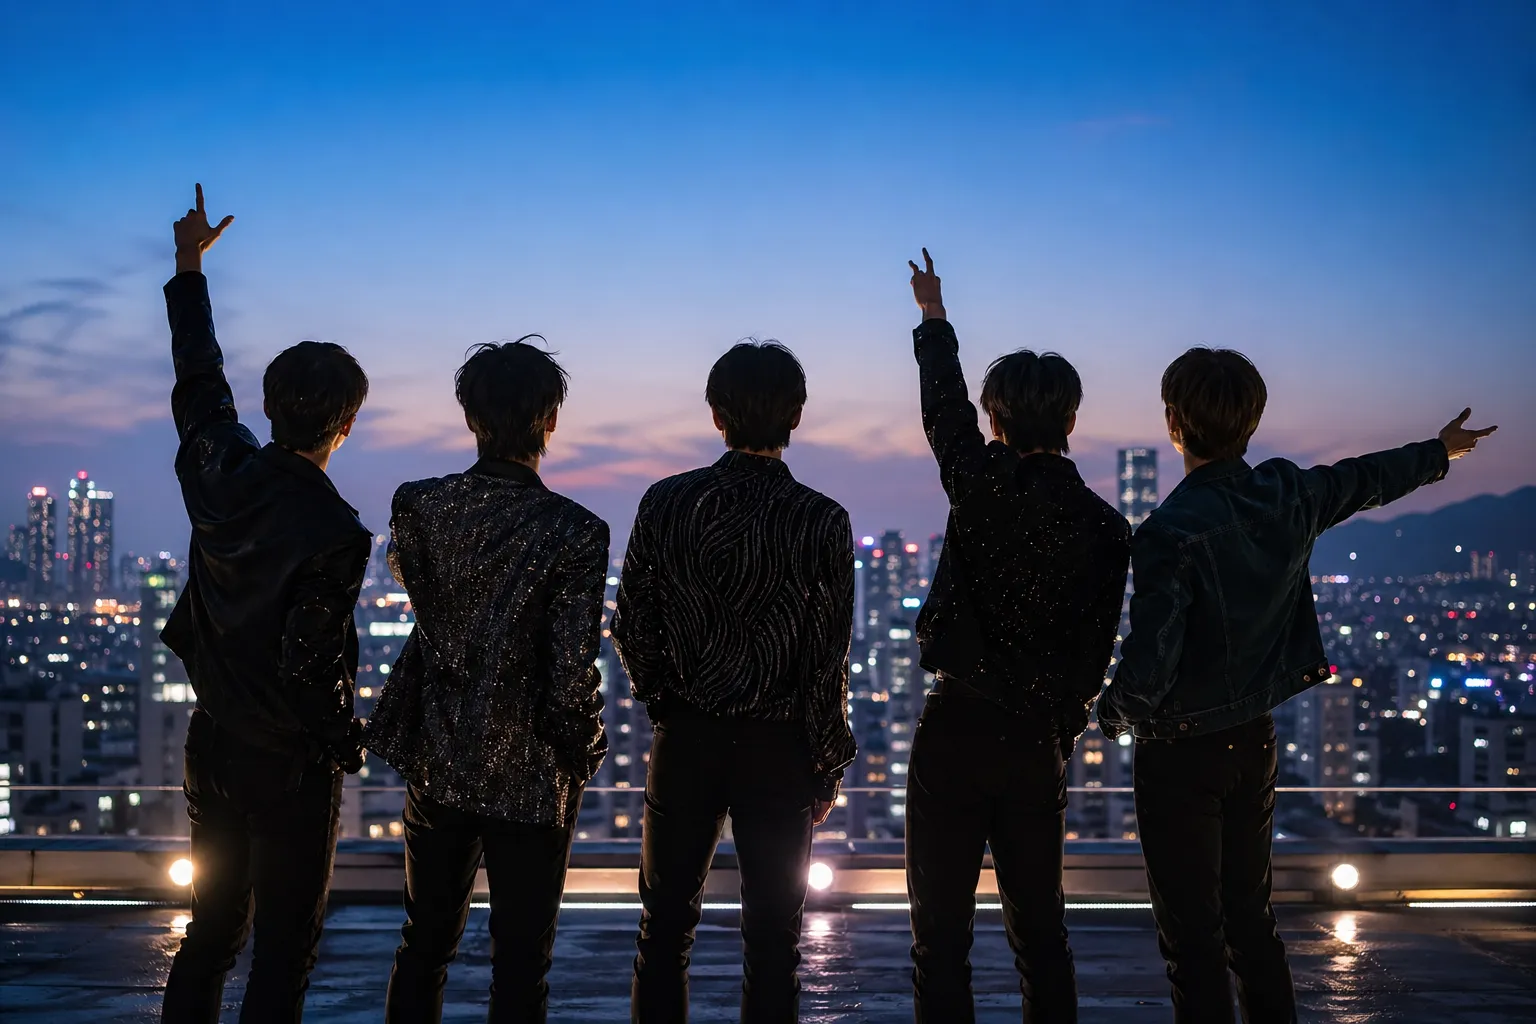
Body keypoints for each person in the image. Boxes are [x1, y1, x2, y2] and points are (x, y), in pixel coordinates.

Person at [1099, 347, 1497, 1023]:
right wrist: (1438, 451)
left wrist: (1110, 714)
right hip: (1253, 741)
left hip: (1180, 753)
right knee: (1252, 924)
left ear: (1173, 422)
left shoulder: (1168, 532)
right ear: (1251, 422)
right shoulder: (1287, 494)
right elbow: (1363, 479)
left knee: (1192, 938)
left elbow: (1152, 658)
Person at [160, 185, 373, 1023]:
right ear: (345, 424)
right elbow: (312, 667)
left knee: (211, 932)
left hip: (210, 738)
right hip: (286, 765)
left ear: (272, 404)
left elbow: (198, 376)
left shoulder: (217, 466)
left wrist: (187, 266)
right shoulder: (335, 530)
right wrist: (346, 741)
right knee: (283, 953)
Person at [902, 250, 1131, 1023]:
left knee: (940, 937)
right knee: (1041, 933)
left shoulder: (979, 485)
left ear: (996, 418)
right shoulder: (1106, 527)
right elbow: (1094, 654)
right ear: (1070, 421)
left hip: (956, 728)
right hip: (1036, 742)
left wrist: (935, 317)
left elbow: (943, 410)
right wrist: (1060, 727)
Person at [365, 339, 610, 1024]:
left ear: (470, 416)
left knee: (424, 944)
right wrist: (584, 747)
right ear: (549, 420)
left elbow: (421, 598)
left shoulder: (419, 505)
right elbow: (570, 670)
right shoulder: (576, 531)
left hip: (439, 754)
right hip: (533, 772)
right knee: (521, 964)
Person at [613, 340, 856, 1024]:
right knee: (774, 941)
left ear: (716, 414)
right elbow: (824, 660)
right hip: (780, 749)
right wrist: (827, 765)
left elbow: (632, 623)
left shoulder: (667, 503)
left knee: (663, 929)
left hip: (687, 736)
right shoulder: (821, 520)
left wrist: (665, 701)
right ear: (797, 416)